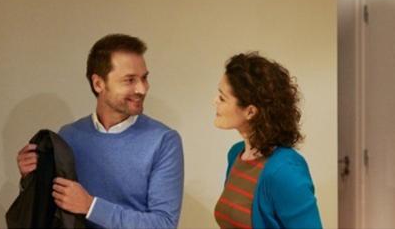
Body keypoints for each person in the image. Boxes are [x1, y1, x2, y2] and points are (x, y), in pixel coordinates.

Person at [16, 34, 184, 229]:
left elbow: (164, 224)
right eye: (129, 80)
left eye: (144, 78)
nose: (142, 89)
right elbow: (49, 210)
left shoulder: (164, 141)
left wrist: (91, 207)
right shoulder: (69, 136)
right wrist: (30, 178)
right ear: (98, 84)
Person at [213, 52, 322, 229]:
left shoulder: (285, 170)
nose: (214, 101)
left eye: (222, 98)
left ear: (250, 111)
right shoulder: (235, 155)